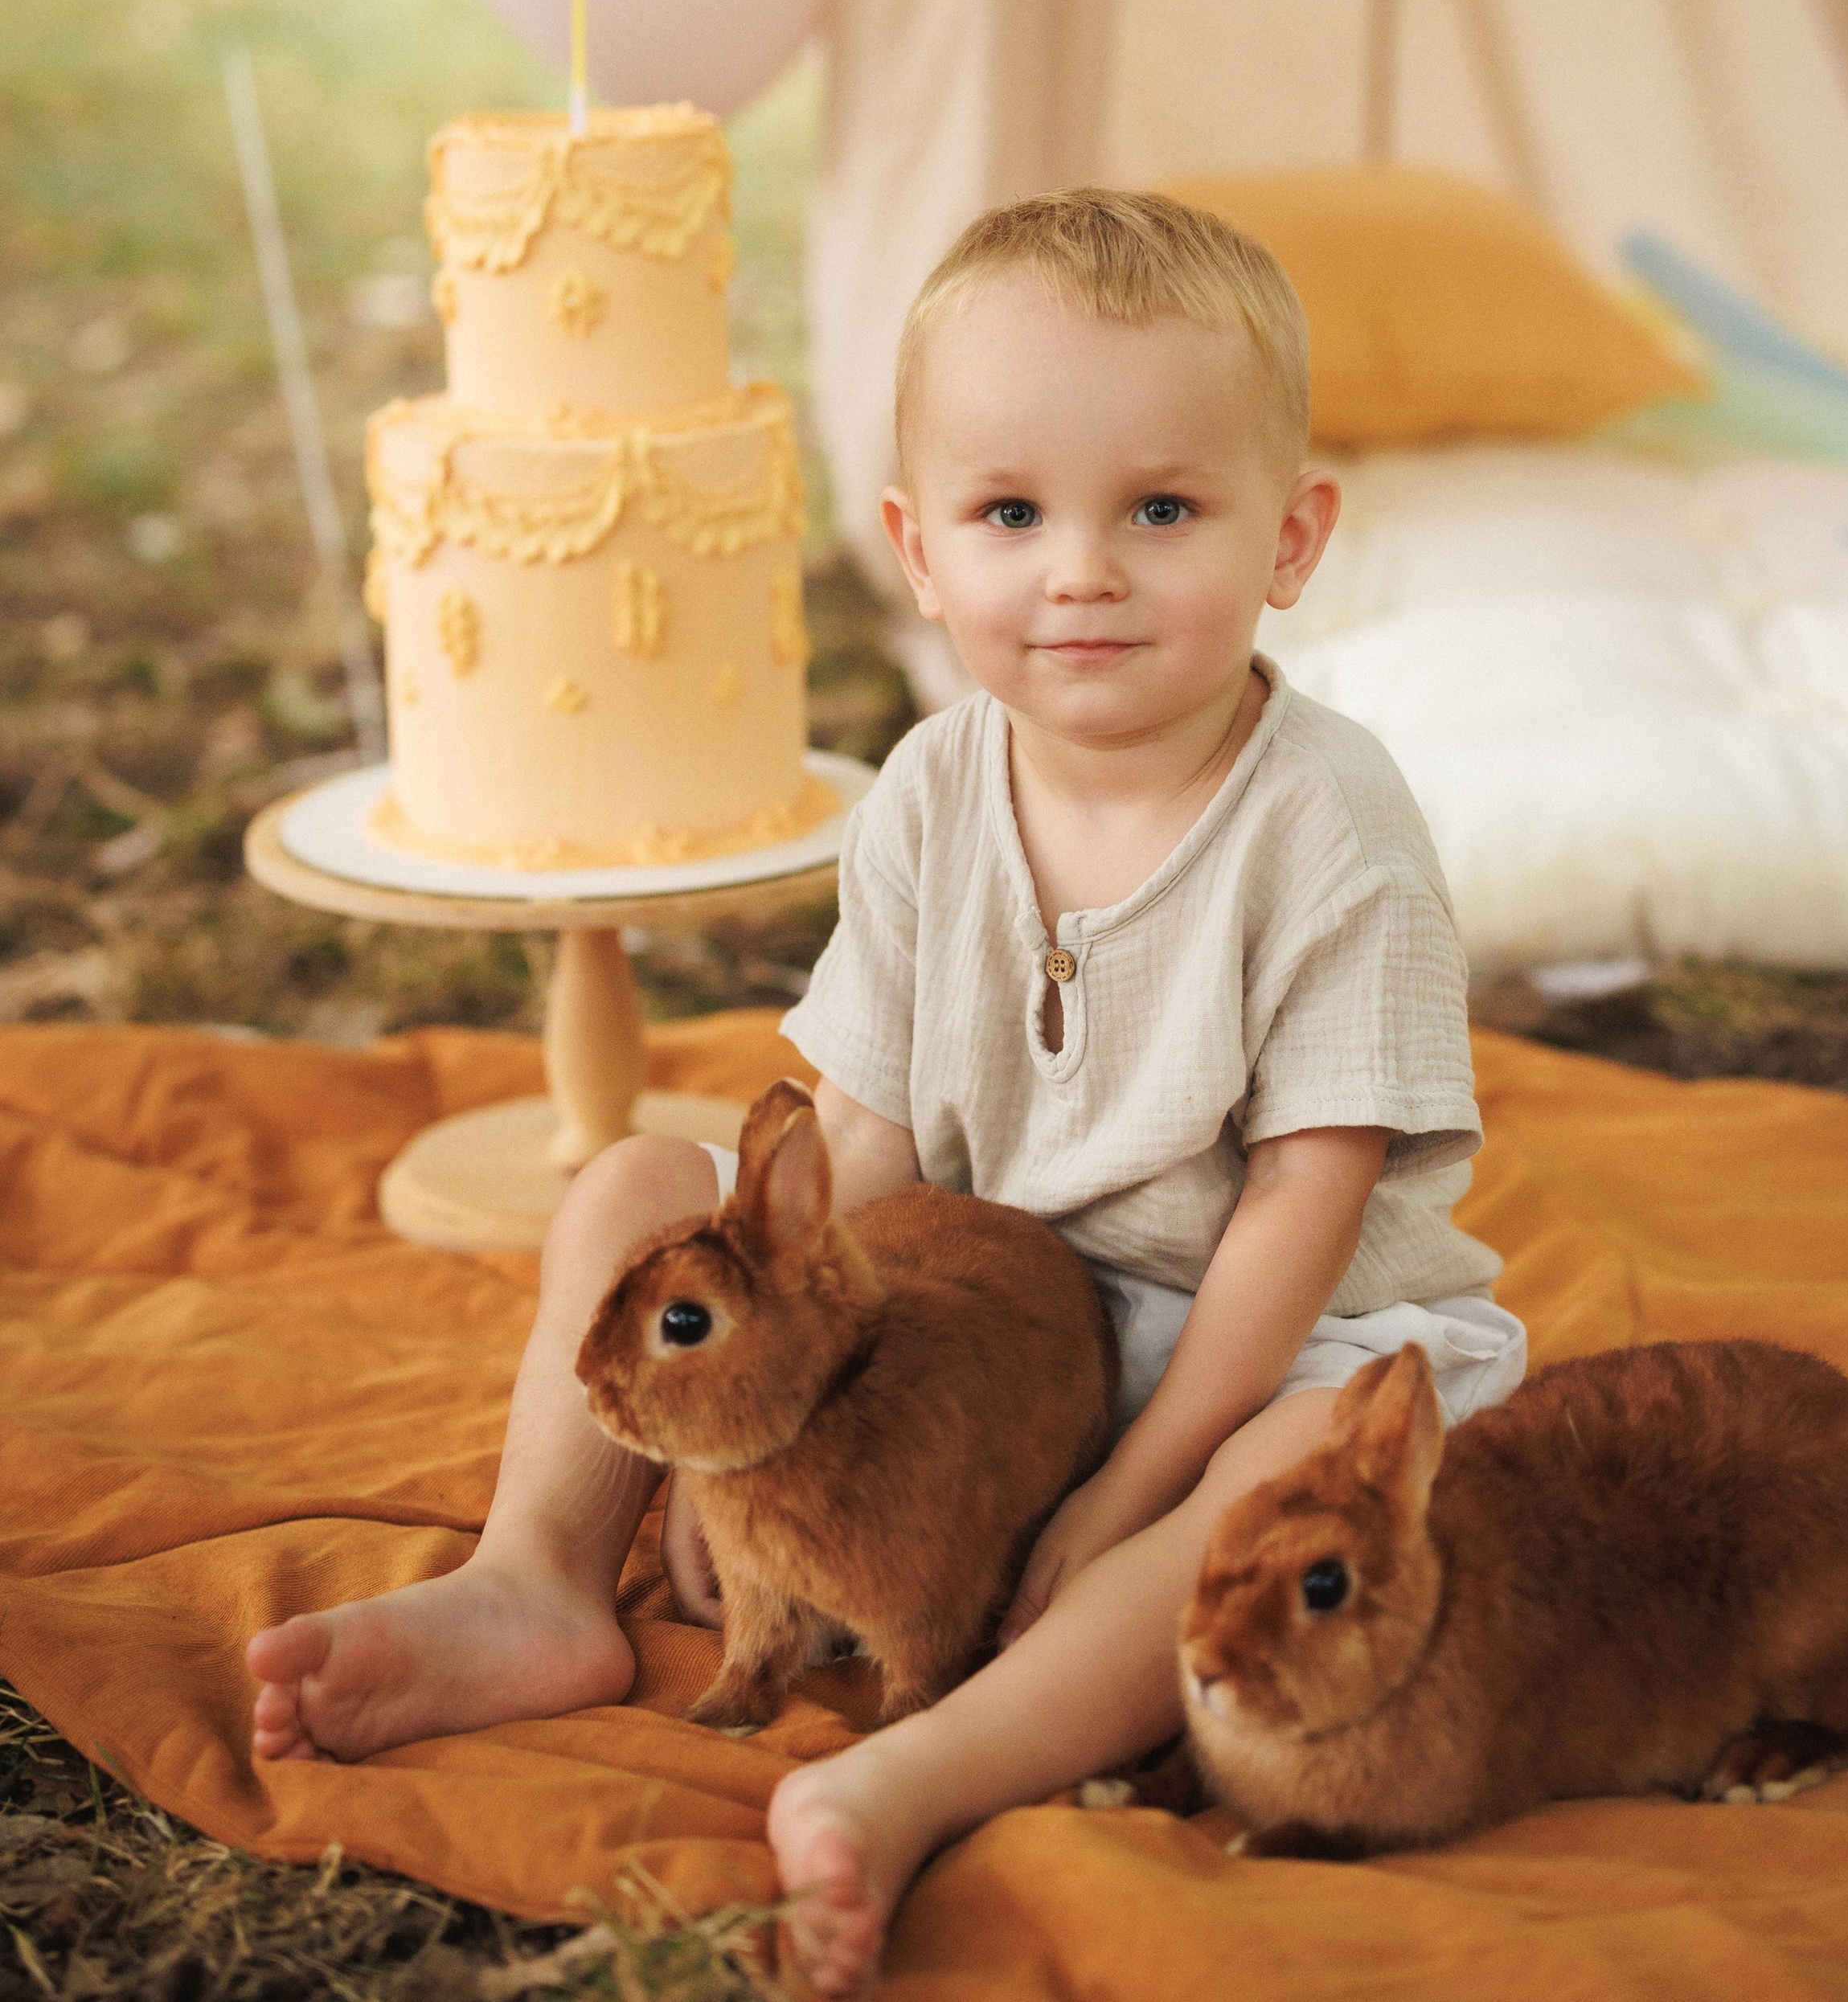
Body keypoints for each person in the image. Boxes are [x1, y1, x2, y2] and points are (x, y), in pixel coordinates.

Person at [248, 188, 1524, 1994]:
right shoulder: (932, 785)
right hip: (971, 1315)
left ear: (1290, 536)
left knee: (1292, 1475)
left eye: (1159, 508)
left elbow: (1296, 1221)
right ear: (920, 552)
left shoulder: (1327, 823)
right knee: (626, 1184)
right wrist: (761, 1397)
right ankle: (539, 1575)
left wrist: (1122, 1484)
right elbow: (853, 1133)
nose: (1078, 568)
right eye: (1012, 513)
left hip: (1241, 1337)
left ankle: (936, 1760)